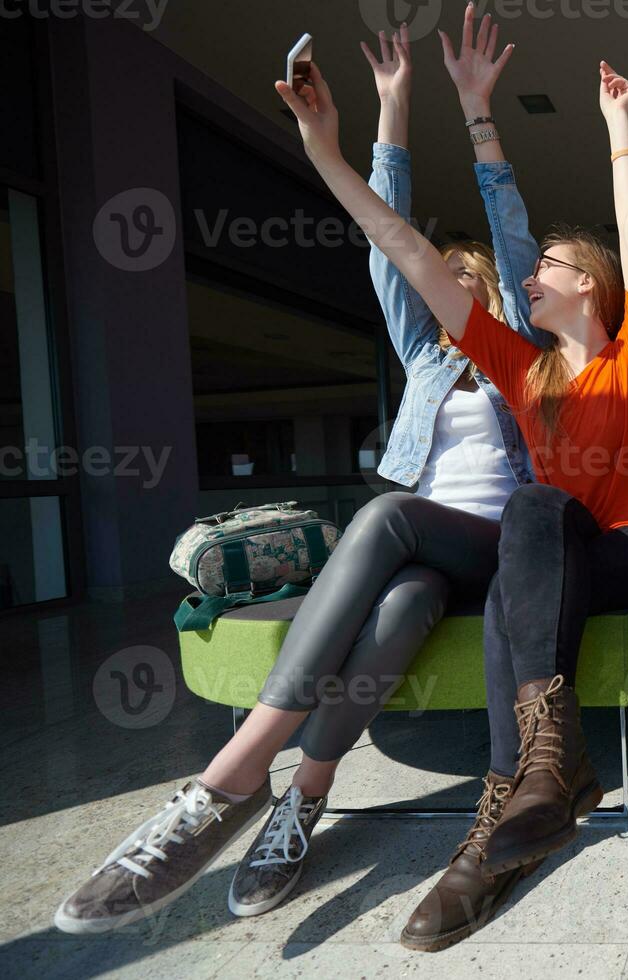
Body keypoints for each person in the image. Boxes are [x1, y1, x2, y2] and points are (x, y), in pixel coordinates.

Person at [53, 24, 548, 935]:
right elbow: (383, 238)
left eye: (461, 278)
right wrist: (389, 108)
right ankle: (300, 801)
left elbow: (511, 244)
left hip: (503, 547)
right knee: (398, 605)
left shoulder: (518, 351)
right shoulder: (424, 357)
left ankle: (226, 780)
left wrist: (476, 114)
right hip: (427, 554)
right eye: (437, 279)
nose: (445, 287)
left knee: (392, 516)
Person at [391, 10, 628, 951]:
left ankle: (535, 787)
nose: (531, 275)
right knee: (512, 573)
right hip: (559, 553)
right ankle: (508, 820)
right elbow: (423, 274)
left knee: (530, 518)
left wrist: (619, 126)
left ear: (590, 286)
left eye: (551, 266)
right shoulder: (523, 370)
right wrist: (446, 114)